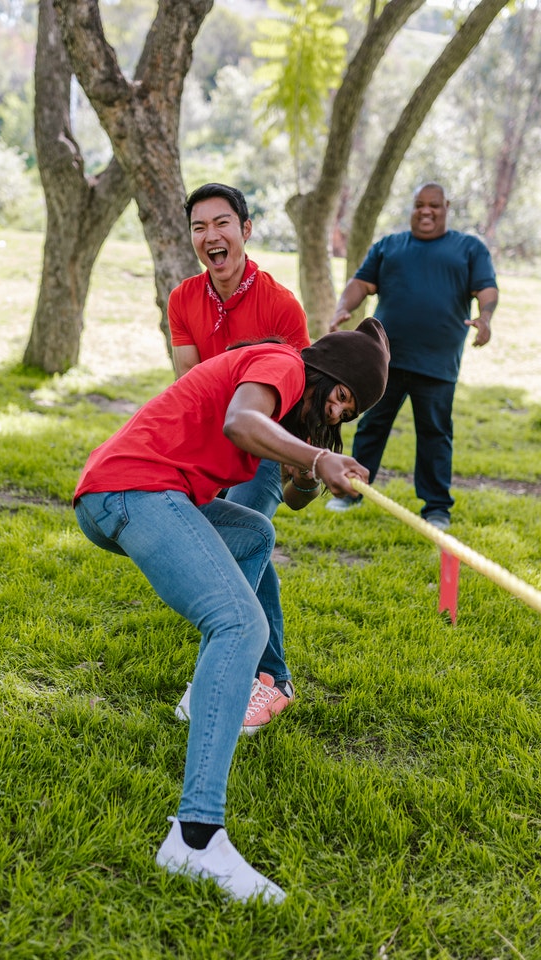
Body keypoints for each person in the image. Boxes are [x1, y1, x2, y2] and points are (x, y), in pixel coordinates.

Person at [73, 319, 390, 902]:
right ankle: (195, 841)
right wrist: (317, 457)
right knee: (242, 623)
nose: (340, 413)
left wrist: (309, 470)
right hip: (131, 490)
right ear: (324, 372)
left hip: (123, 493)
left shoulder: (294, 410)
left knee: (253, 532)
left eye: (351, 410)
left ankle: (208, 688)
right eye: (343, 395)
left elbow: (293, 495)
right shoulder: (284, 364)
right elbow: (239, 422)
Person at [169, 183, 311, 732]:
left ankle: (257, 678)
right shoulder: (183, 299)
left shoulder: (280, 304)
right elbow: (188, 383)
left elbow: (293, 394)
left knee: (247, 535)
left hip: (264, 449)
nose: (211, 236)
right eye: (200, 227)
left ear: (246, 230)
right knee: (241, 543)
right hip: (211, 446)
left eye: (222, 223)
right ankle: (268, 676)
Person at [326, 181, 499, 529]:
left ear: (446, 207)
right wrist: (342, 308)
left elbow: (487, 289)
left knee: (435, 434)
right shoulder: (390, 246)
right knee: (372, 426)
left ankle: (436, 509)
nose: (426, 211)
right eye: (419, 204)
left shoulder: (468, 248)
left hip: (437, 363)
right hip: (384, 360)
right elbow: (361, 283)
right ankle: (351, 491)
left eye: (434, 205)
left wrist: (485, 318)